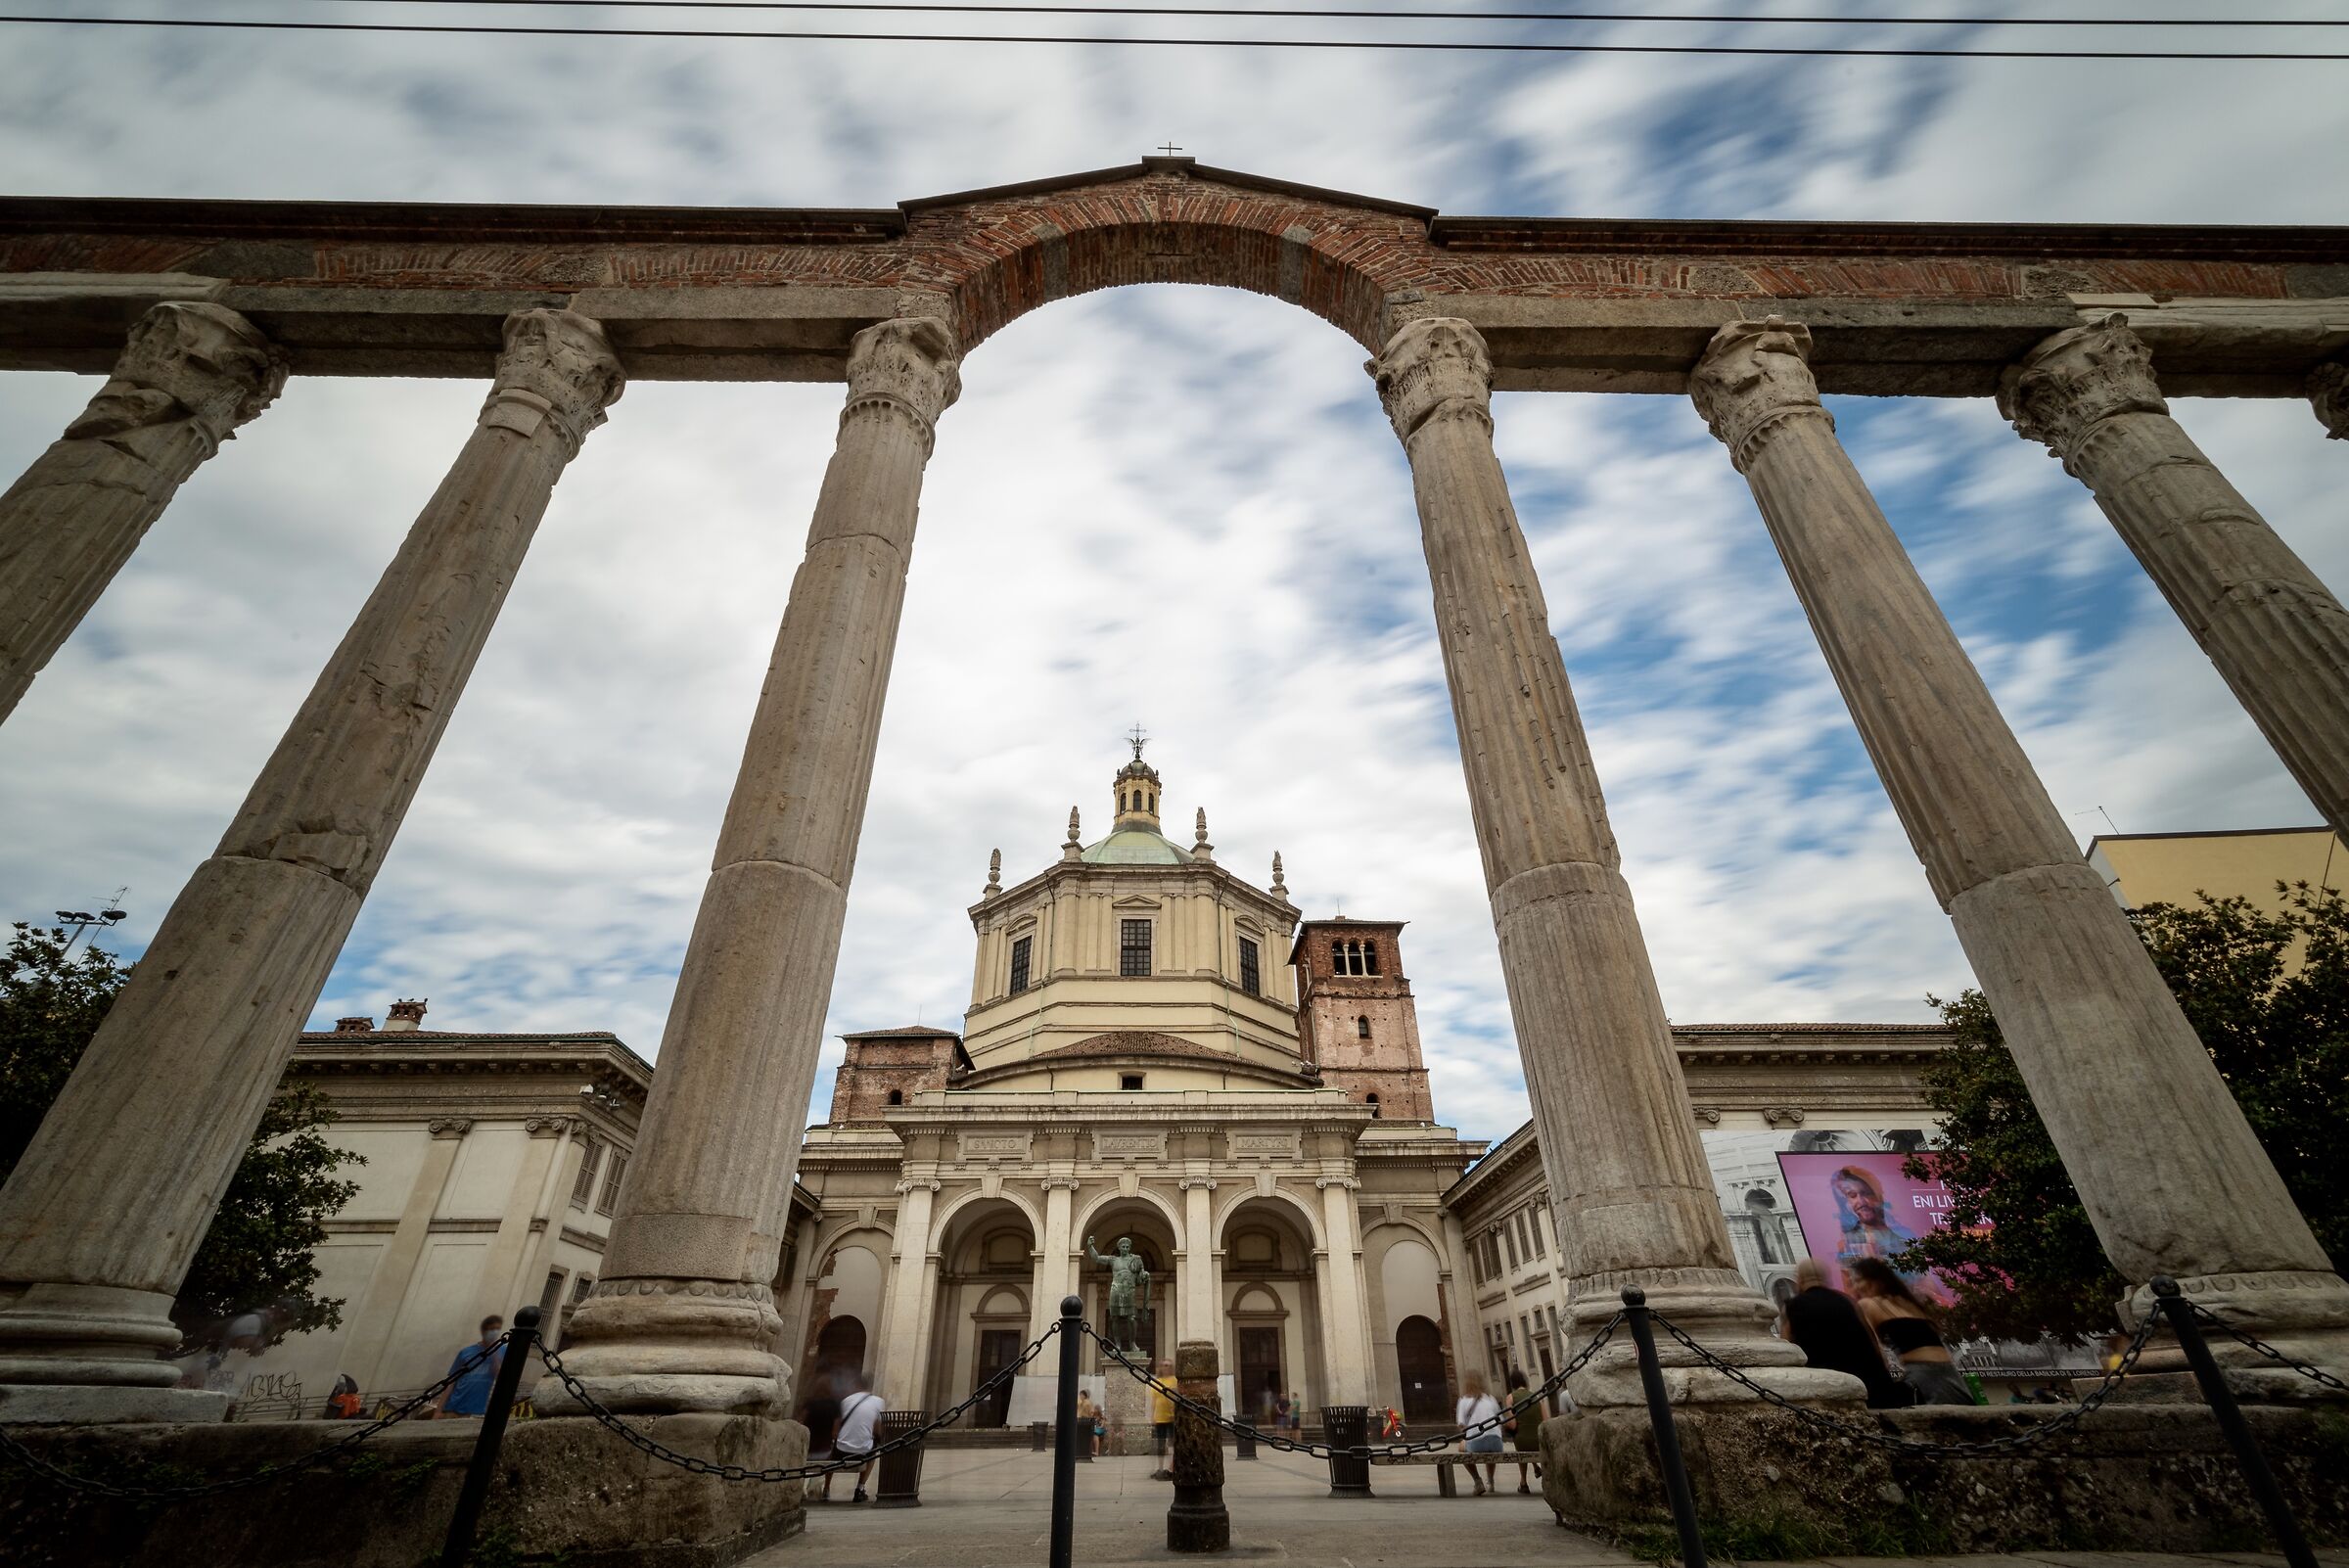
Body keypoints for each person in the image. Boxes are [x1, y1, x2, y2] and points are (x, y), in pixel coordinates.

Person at [1778, 1258, 1907, 1409]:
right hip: (1872, 1388)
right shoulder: (1848, 1302)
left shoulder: (1792, 1307)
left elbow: (1786, 1351)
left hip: (1829, 1391)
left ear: (1799, 1280)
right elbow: (1874, 1344)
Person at [1847, 1258, 1974, 1407]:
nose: (1855, 1287)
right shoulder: (1908, 1302)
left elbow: (1874, 1350)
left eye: (1858, 1280)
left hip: (1921, 1376)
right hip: (1950, 1373)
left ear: (1874, 1280)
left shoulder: (1868, 1304)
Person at [1830, 1167, 1918, 1268]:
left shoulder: (1906, 1236)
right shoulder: (1848, 1245)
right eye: (1852, 1195)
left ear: (1878, 1195)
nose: (1861, 1202)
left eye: (1866, 1193)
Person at [827, 1370, 884, 1501]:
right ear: (869, 1387)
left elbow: (836, 1427)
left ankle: (827, 1488)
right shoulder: (878, 1401)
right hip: (863, 1452)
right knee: (873, 1452)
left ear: (856, 1386)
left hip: (841, 1450)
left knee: (832, 1453)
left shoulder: (846, 1401)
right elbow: (877, 1428)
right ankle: (860, 1487)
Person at [436, 1316, 506, 1417]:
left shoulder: (502, 1350)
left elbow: (502, 1378)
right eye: (491, 1329)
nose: (494, 1332)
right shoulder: (466, 1352)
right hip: (454, 1406)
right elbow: (451, 1382)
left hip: (478, 1411)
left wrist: (494, 1353)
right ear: (483, 1330)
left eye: (497, 1329)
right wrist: (438, 1411)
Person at [1455, 1368, 1502, 1497]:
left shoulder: (1464, 1400)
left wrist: (1469, 1433)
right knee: (1490, 1447)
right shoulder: (1490, 1398)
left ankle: (1477, 1481)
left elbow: (1461, 1426)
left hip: (1477, 1443)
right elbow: (1500, 1421)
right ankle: (1491, 1482)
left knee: (1461, 1447)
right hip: (1497, 1443)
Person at [1503, 1367, 1542, 1493]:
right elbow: (1546, 1420)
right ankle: (1536, 1467)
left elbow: (1513, 1425)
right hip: (1539, 1441)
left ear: (1512, 1383)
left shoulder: (1510, 1398)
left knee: (1518, 1437)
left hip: (1523, 1442)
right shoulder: (1536, 1396)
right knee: (1525, 1434)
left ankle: (1523, 1482)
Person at [1147, 1360, 1178, 1478]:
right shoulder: (1157, 1382)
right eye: (1164, 1365)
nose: (1166, 1368)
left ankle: (1172, 1467)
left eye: (1168, 1366)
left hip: (1172, 1417)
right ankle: (1160, 1468)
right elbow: (1153, 1401)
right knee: (1161, 1444)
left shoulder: (1175, 1380)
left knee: (1173, 1443)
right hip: (1160, 1417)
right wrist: (1152, 1416)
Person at [1076, 1390, 1101, 1457]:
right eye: (1080, 1395)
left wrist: (1090, 1418)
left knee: (1091, 1435)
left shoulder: (1088, 1403)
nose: (1080, 1396)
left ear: (1084, 1395)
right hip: (1080, 1420)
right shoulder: (1080, 1402)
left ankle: (1090, 1451)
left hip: (1086, 1421)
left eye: (1081, 1395)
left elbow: (1091, 1412)